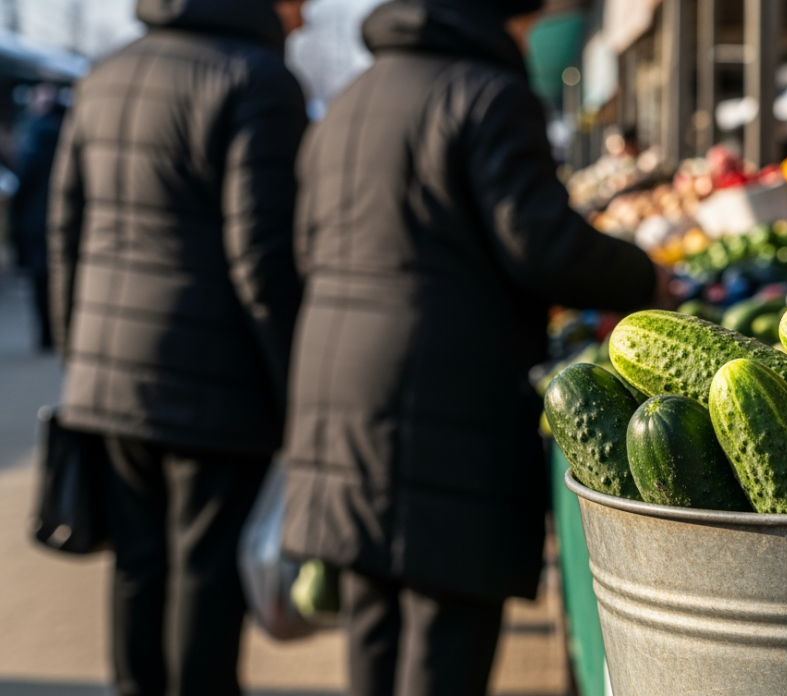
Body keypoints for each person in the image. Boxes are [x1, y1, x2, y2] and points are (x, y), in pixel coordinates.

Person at [278, 0, 669, 694]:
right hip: (443, 394)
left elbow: (303, 247)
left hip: (337, 385)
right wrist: (644, 277)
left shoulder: (351, 98)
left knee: (372, 613)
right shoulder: (487, 95)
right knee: (445, 626)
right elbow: (540, 243)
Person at [47, 1, 309, 694]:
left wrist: (80, 360)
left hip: (108, 380)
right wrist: (297, 384)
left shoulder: (103, 75)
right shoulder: (257, 79)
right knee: (204, 573)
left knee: (137, 565)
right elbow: (262, 258)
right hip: (216, 383)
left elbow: (64, 230)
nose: (306, 16)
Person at [8, 83, 65, 351]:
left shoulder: (35, 138)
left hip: (36, 219)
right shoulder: (65, 133)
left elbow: (24, 181)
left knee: (41, 279)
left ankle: (47, 334)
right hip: (58, 216)